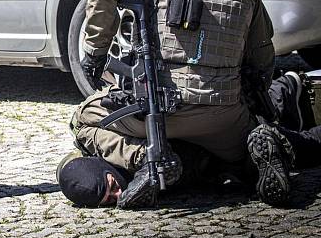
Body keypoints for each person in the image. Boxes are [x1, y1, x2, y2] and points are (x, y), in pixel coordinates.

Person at [74, 0, 293, 208]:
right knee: (237, 152)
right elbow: (261, 49)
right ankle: (253, 155)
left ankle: (146, 162)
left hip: (163, 108)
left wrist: (96, 49)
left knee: (84, 120)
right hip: (224, 110)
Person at [61, 71, 321, 207]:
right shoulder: (107, 177)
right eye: (109, 200)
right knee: (278, 149)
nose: (118, 195)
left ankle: (287, 87)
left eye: (112, 187)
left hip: (207, 130)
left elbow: (108, 139)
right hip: (215, 162)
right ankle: (274, 138)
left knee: (282, 125)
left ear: (101, 167)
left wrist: (147, 163)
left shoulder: (98, 138)